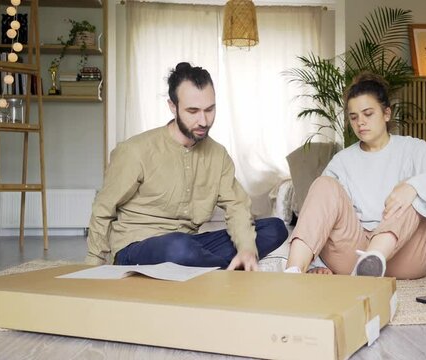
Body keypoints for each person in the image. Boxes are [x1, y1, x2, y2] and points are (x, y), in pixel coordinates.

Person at [86, 62, 288, 270]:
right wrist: (95, 264)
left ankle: (204, 265)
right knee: (178, 247)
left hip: (189, 243)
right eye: (193, 111)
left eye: (210, 109)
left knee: (274, 228)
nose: (203, 120)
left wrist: (246, 249)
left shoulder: (218, 155)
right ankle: (221, 271)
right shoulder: (135, 150)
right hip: (137, 248)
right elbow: (104, 208)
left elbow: (237, 206)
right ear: (173, 107)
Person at [284, 72, 426, 279]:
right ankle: (293, 272)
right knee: (324, 184)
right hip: (353, 252)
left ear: (386, 114)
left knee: (411, 195)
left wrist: (411, 187)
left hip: (406, 255)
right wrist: (317, 263)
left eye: (368, 114)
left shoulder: (413, 148)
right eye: (354, 117)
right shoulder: (342, 160)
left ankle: (374, 259)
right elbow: (320, 213)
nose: (361, 122)